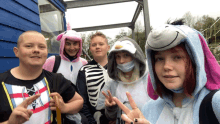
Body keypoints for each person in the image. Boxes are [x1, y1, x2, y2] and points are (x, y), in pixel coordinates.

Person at [111, 20, 220, 124]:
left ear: (196, 60)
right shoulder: (150, 108)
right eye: (159, 59)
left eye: (177, 57)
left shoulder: (215, 103)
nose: (166, 66)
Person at [0, 31, 84, 124]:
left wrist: (64, 107)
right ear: (17, 51)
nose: (36, 50)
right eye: (29, 46)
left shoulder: (56, 79)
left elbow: (79, 101)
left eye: (41, 47)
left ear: (47, 52)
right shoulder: (2, 82)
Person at [98, 37, 150, 124]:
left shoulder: (149, 80)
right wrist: (111, 107)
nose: (121, 61)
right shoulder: (112, 84)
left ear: (135, 56)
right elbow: (110, 117)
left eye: (126, 55)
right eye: (118, 57)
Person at [43, 24, 88, 124]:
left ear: (80, 45)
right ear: (63, 44)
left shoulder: (84, 63)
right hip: (56, 111)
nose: (72, 48)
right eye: (68, 44)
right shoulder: (52, 61)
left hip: (80, 109)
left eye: (75, 44)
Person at [76, 32, 111, 124]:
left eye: (101, 44)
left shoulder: (118, 67)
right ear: (90, 49)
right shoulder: (84, 70)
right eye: (94, 45)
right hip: (95, 118)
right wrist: (91, 121)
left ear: (108, 47)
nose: (97, 47)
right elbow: (82, 100)